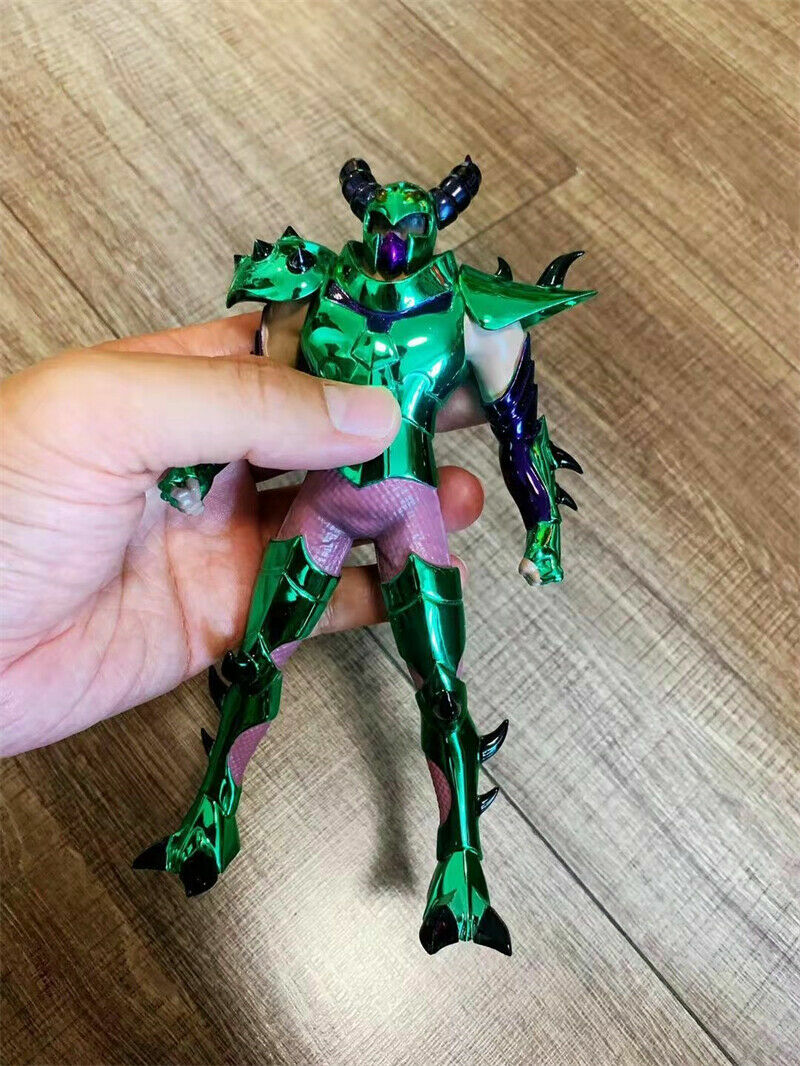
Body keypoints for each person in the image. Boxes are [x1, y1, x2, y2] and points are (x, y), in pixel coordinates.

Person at [0, 310, 484, 758]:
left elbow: (515, 411)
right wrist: (202, 467)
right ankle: (216, 805)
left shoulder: (454, 308)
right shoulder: (321, 306)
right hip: (330, 502)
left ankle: (460, 822)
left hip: (396, 500)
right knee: (256, 665)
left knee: (442, 689)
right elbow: (249, 399)